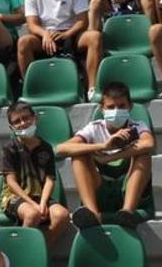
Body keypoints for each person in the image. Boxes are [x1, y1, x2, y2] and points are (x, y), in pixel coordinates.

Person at [56, 82, 155, 229]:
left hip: (126, 187)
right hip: (100, 187)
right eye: (110, 107)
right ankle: (92, 213)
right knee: (79, 155)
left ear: (130, 107)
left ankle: (127, 212)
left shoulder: (137, 126)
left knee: (143, 154)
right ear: (102, 108)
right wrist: (103, 146)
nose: (116, 111)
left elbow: (149, 144)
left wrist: (110, 157)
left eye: (121, 106)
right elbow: (60, 149)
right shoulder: (94, 128)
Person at [18, 0, 104, 101]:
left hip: (71, 33)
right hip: (45, 36)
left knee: (95, 37)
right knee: (24, 42)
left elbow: (82, 21)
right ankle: (30, 88)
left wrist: (66, 34)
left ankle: (92, 88)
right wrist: (45, 35)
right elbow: (32, 24)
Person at [0, 102, 72, 248]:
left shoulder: (46, 147)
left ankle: (42, 251)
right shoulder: (9, 149)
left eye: (26, 118)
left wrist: (43, 203)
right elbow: (11, 183)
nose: (23, 123)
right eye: (17, 121)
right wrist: (33, 204)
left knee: (62, 215)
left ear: (35, 118)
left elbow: (50, 179)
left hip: (40, 196)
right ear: (11, 127)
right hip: (14, 197)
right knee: (32, 215)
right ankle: (21, 252)